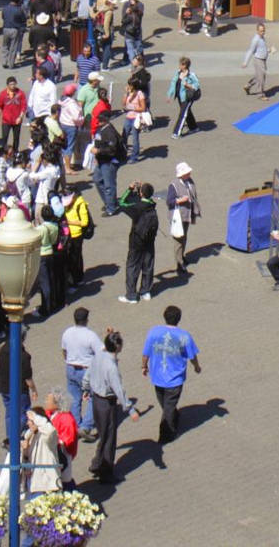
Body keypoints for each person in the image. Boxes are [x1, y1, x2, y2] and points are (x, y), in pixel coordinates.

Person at [142, 305, 202, 444]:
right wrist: (196, 366)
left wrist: (144, 365)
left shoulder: (155, 332)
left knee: (167, 407)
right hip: (162, 378)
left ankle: (165, 434)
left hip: (169, 378)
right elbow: (192, 356)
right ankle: (173, 416)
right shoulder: (183, 336)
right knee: (165, 405)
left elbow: (146, 353)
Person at [85, 329, 136, 483]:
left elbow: (88, 373)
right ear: (118, 347)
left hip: (96, 400)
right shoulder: (111, 367)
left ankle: (96, 464)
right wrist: (130, 409)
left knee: (103, 434)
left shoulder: (99, 355)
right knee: (109, 438)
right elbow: (119, 390)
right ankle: (105, 472)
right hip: (107, 403)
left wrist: (86, 388)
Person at [117, 181, 158, 304]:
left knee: (132, 266)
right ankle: (145, 291)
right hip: (149, 240)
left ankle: (131, 295)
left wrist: (129, 189)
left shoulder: (137, 206)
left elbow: (122, 203)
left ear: (141, 193)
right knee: (148, 265)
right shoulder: (152, 205)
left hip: (136, 240)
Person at [165, 161, 200, 278]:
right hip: (178, 217)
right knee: (178, 240)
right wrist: (180, 200)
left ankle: (182, 257)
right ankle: (179, 264)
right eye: (187, 173)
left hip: (187, 215)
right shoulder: (174, 185)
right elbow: (169, 201)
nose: (189, 174)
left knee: (184, 237)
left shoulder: (190, 182)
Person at [241, 23, 270, 96]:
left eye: (263, 31)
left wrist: (269, 50)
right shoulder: (255, 40)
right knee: (262, 77)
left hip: (263, 60)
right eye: (260, 31)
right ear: (257, 31)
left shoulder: (262, 38)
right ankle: (260, 94)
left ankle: (248, 86)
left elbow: (262, 48)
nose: (262, 32)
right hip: (258, 60)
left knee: (258, 76)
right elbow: (250, 51)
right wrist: (245, 62)